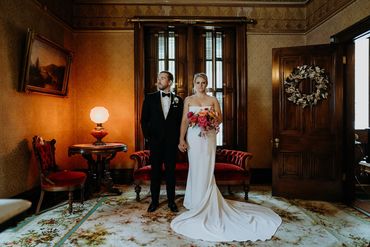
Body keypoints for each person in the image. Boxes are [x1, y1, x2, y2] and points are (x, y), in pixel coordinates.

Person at [171, 73, 282, 242]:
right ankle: (194, 201)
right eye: (198, 83)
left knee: (207, 167)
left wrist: (209, 120)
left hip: (208, 138)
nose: (201, 85)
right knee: (195, 167)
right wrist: (181, 139)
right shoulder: (188, 100)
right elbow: (184, 122)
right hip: (193, 138)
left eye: (203, 83)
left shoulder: (213, 100)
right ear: (193, 84)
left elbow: (220, 119)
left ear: (207, 84)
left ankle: (206, 200)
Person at [141, 71, 184, 213]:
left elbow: (181, 122)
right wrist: (148, 138)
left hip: (171, 143)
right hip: (155, 142)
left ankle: (171, 202)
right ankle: (154, 202)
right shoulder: (149, 98)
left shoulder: (179, 100)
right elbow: (144, 120)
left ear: (170, 82)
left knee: (171, 173)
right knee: (155, 173)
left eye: (162, 78)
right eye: (158, 78)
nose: (159, 80)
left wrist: (180, 140)